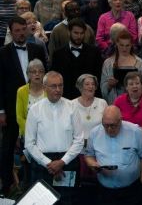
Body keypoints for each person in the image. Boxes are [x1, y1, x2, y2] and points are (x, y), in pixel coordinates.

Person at [0, 17, 47, 194]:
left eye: (23, 29)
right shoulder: (2, 52)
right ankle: (6, 185)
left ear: (27, 30)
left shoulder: (37, 49)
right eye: (17, 31)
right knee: (8, 147)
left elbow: (45, 75)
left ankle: (36, 185)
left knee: (38, 146)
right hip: (12, 109)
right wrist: (1, 111)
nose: (20, 33)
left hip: (39, 107)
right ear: (11, 33)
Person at [25, 71, 83, 204]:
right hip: (42, 163)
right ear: (44, 87)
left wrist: (62, 162)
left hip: (67, 161)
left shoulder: (72, 107)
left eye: (60, 86)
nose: (58, 89)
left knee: (68, 201)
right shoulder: (35, 109)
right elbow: (29, 143)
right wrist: (48, 163)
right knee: (42, 202)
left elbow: (79, 140)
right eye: (53, 86)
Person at [85, 106, 142, 205]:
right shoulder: (94, 133)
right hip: (104, 191)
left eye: (113, 125)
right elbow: (88, 155)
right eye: (105, 125)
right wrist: (92, 164)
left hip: (131, 190)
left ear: (120, 120)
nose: (109, 129)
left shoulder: (135, 131)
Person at [51, 18, 102, 99]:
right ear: (69, 32)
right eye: (76, 33)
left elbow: (98, 78)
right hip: (66, 99)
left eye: (81, 33)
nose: (79, 36)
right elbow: (55, 78)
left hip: (89, 99)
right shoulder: (58, 54)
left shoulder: (94, 52)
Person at [100, 30, 142, 105]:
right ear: (116, 44)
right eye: (121, 45)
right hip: (115, 104)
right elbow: (102, 88)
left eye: (127, 45)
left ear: (131, 45)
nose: (124, 49)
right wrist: (109, 85)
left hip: (136, 104)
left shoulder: (139, 63)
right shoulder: (108, 63)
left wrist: (138, 86)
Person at [114, 71, 142, 146]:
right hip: (124, 142)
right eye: (131, 84)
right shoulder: (119, 101)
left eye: (137, 83)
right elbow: (114, 120)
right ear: (126, 87)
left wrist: (136, 132)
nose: (135, 86)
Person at [16, 59, 46, 139]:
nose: (37, 74)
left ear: (44, 74)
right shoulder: (21, 91)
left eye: (40, 71)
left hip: (46, 134)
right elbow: (19, 117)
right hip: (27, 134)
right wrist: (31, 131)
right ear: (28, 74)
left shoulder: (48, 90)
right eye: (33, 72)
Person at [71, 73, 107, 139]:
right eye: (87, 84)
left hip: (98, 143)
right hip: (79, 145)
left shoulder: (102, 103)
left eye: (93, 84)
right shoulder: (72, 104)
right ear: (80, 87)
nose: (91, 86)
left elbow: (107, 124)